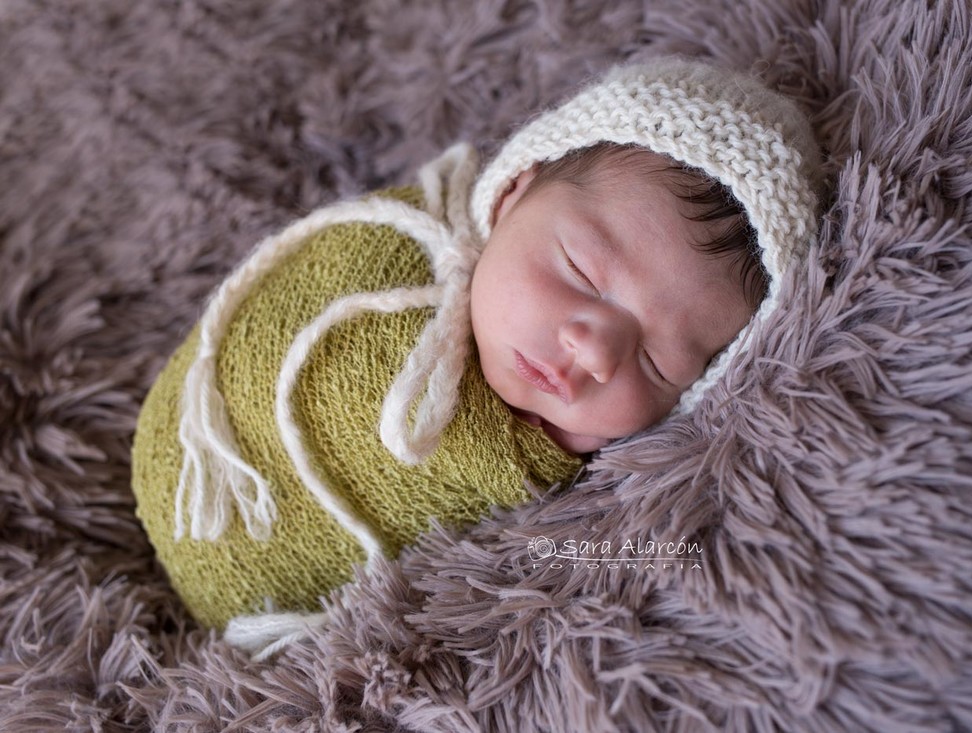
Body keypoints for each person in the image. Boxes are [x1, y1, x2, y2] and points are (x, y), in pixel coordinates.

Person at [130, 56, 822, 658]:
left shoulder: (589, 501)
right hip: (198, 472)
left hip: (293, 634)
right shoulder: (389, 253)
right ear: (515, 189)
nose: (594, 349)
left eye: (657, 364)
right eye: (580, 271)